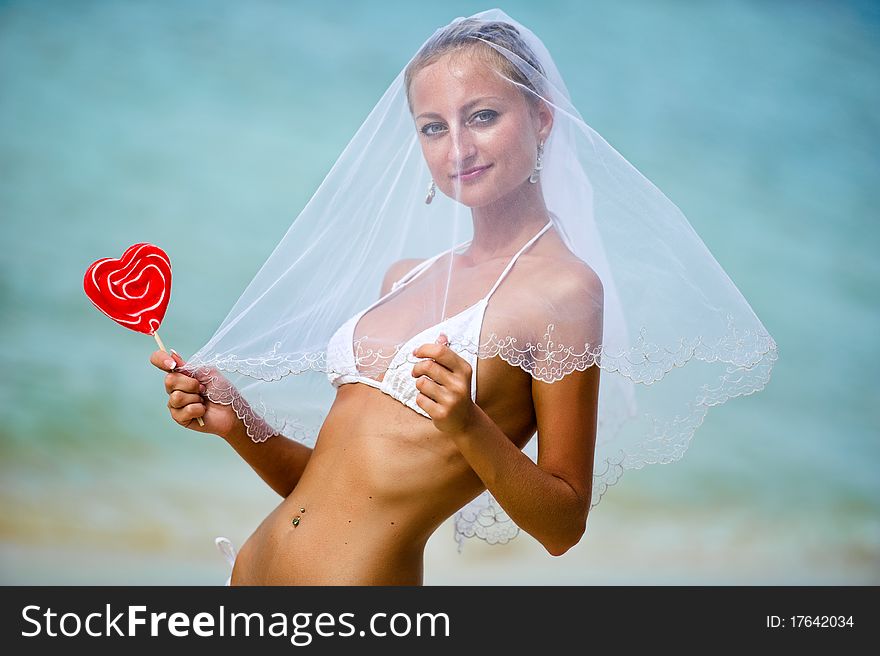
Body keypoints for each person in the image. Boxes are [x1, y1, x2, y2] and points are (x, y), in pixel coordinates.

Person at [149, 9, 777, 585]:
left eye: (482, 116)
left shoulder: (564, 294)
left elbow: (563, 526)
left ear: (542, 119)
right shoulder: (405, 278)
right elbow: (340, 495)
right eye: (432, 127)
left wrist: (467, 423)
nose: (458, 149)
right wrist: (240, 426)